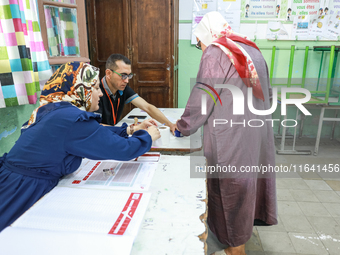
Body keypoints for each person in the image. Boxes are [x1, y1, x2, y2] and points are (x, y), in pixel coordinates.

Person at [0, 61, 160, 232]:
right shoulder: (70, 119)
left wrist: (129, 129)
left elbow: (94, 133)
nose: (100, 94)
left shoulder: (56, 110)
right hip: (22, 190)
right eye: (96, 88)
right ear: (80, 89)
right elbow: (125, 149)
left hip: (12, 180)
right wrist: (147, 137)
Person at [175, 12, 277, 255]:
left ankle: (235, 246)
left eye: (200, 42)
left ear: (208, 35)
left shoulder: (216, 52)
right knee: (246, 186)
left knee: (228, 191)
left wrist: (182, 126)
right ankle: (241, 234)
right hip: (257, 135)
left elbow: (204, 97)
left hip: (231, 138)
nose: (201, 48)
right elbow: (268, 95)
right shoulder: (251, 48)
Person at [97, 54, 176, 133]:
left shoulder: (122, 88)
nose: (127, 81)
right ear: (108, 74)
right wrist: (133, 129)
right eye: (123, 75)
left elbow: (147, 107)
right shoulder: (95, 91)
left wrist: (170, 124)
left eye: (128, 76)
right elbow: (95, 127)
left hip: (112, 133)